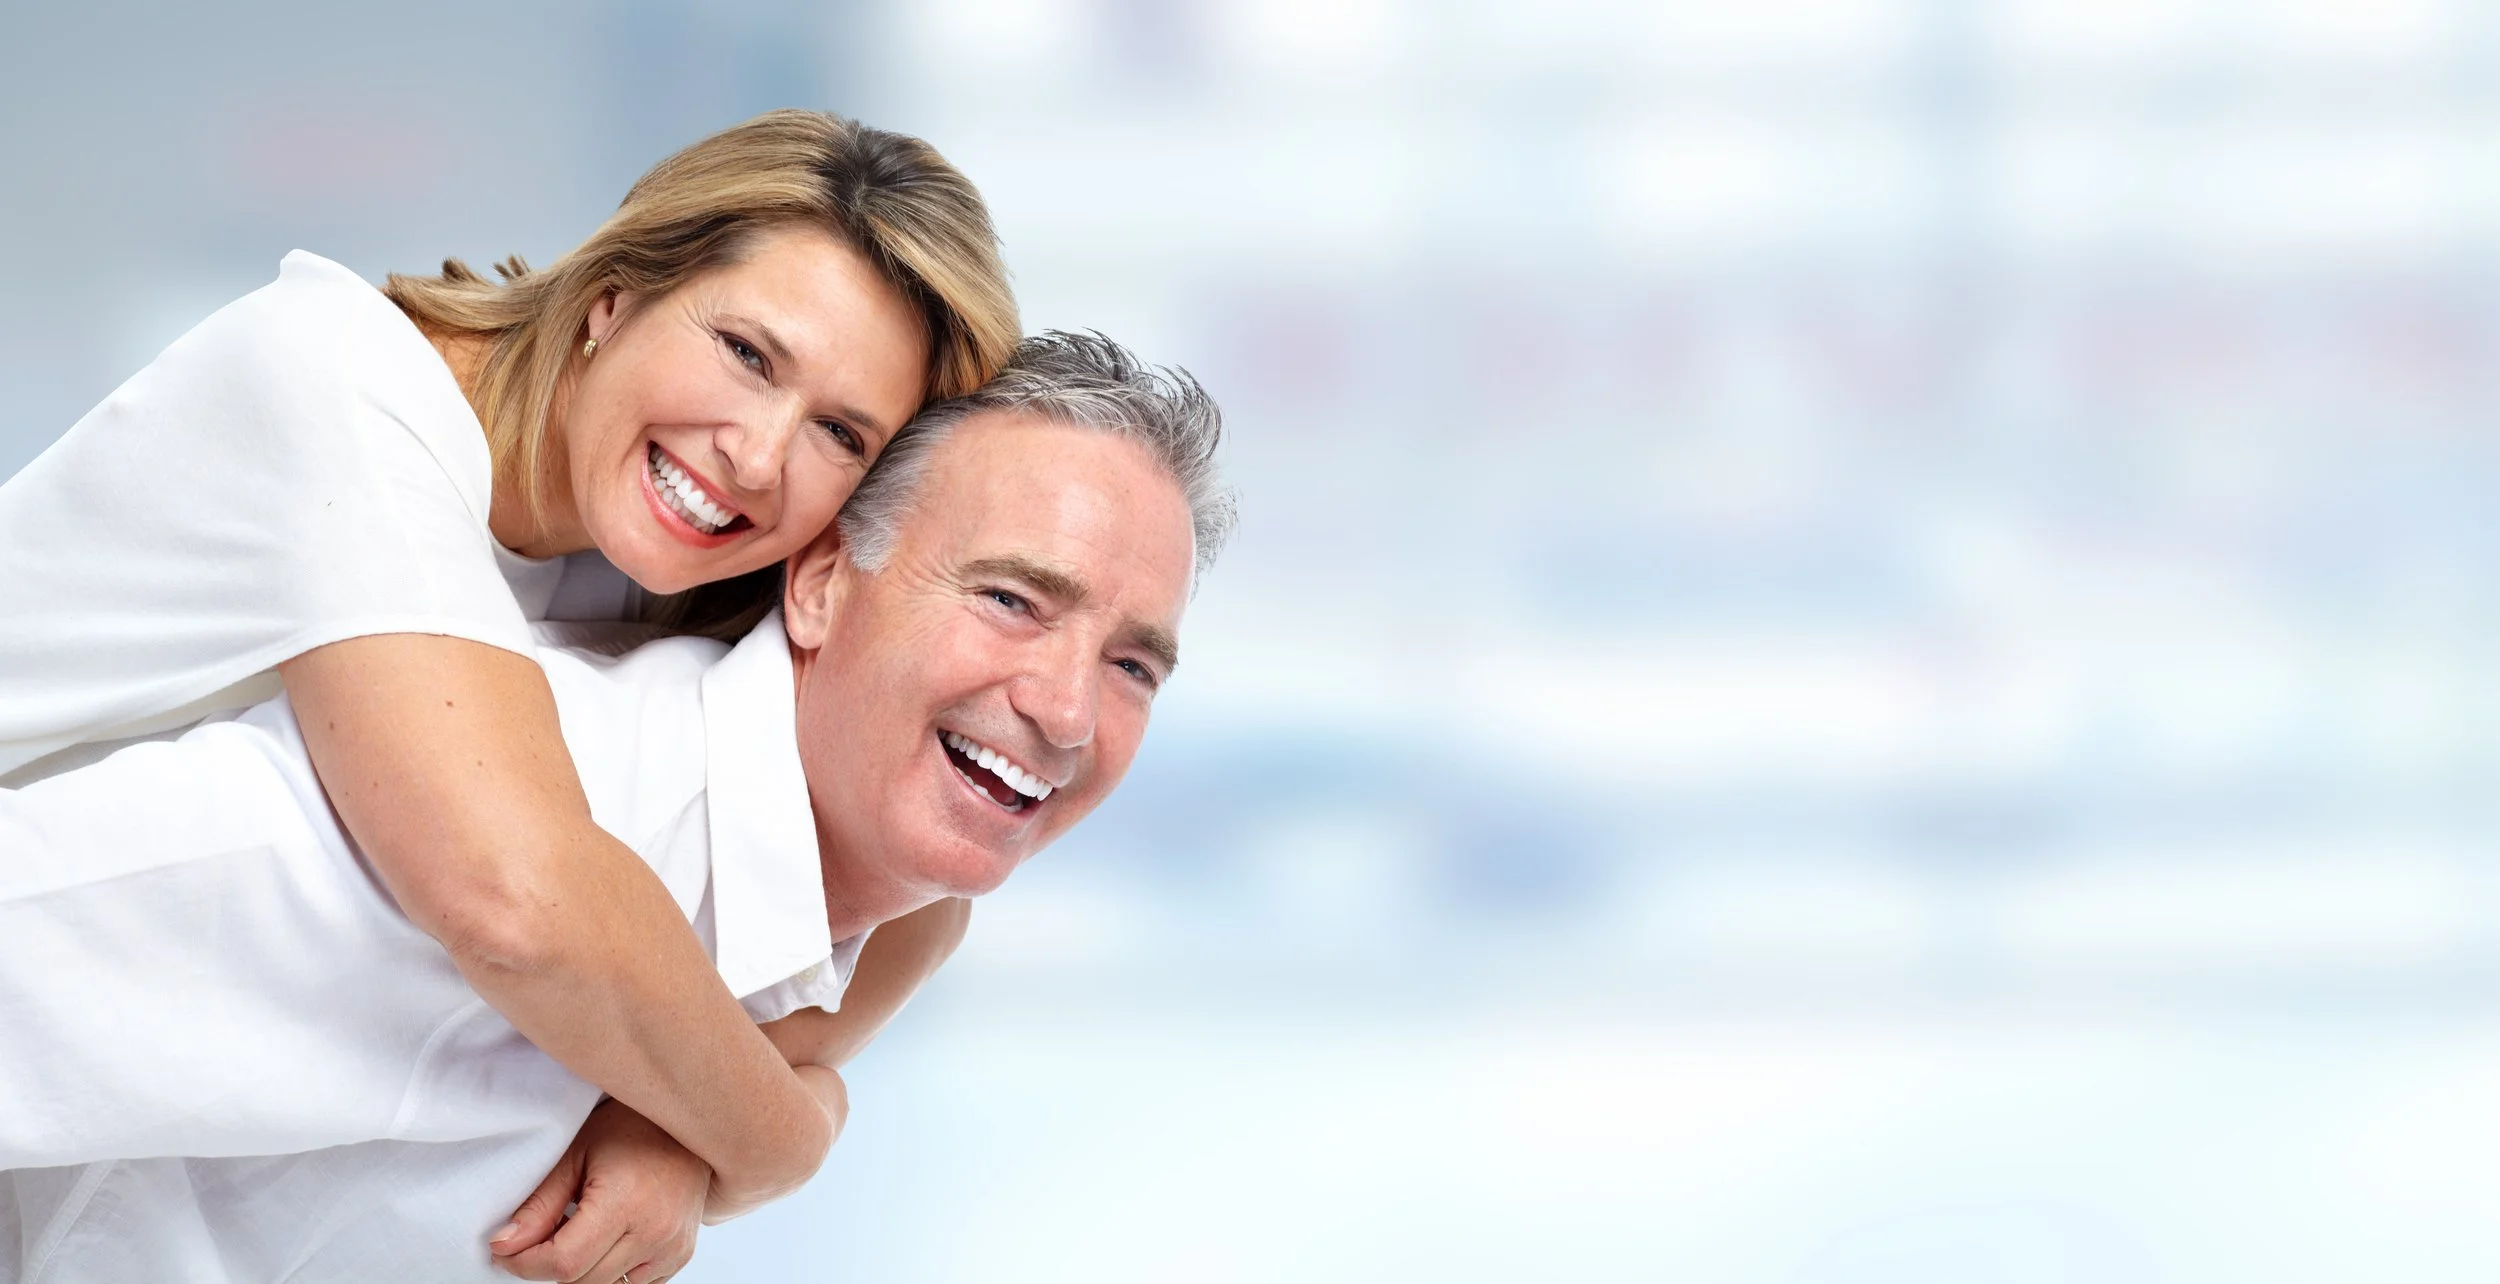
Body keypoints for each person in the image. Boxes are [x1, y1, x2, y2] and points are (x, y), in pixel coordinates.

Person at [0, 109, 1021, 1265]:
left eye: (839, 432)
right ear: (614, 297)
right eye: (747, 354)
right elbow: (512, 903)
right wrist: (780, 1138)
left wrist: (664, 1120)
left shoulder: (678, 550)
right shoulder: (337, 384)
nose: (755, 455)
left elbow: (911, 876)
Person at [0, 332, 1236, 1284]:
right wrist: (770, 1143)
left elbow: (842, 1011)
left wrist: (706, 1135)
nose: (1068, 711)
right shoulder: (504, 814)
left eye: (1133, 663)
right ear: (818, 586)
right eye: (1011, 601)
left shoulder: (863, 913)